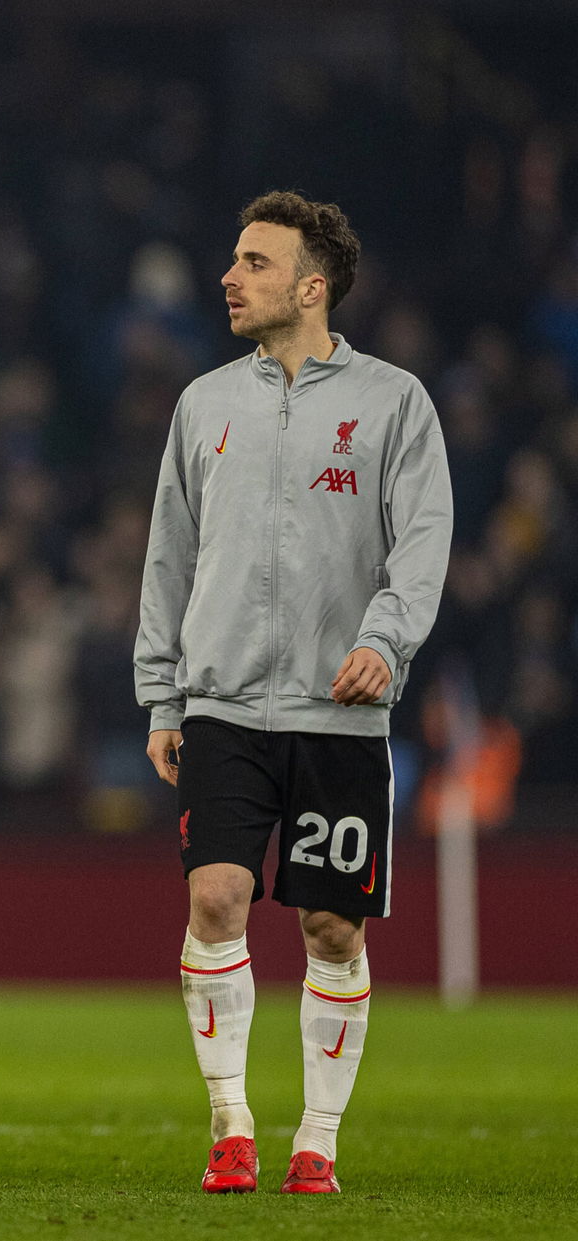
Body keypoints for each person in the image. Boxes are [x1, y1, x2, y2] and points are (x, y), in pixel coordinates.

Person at [134, 191, 453, 1195]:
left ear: (311, 287)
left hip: (338, 710)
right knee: (215, 895)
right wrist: (161, 694)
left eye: (254, 263)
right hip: (221, 702)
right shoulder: (203, 404)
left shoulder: (395, 401)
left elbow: (424, 541)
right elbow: (167, 558)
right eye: (234, 261)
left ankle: (316, 1135)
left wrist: (384, 641)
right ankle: (231, 1122)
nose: (229, 277)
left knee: (330, 928)